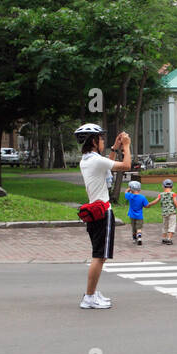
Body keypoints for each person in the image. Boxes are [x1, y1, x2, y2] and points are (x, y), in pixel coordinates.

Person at [76, 123, 130, 309]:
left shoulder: (88, 160)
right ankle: (89, 296)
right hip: (103, 214)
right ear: (93, 141)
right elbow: (126, 165)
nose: (102, 141)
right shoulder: (96, 161)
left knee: (99, 255)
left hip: (95, 212)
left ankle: (91, 293)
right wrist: (127, 146)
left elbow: (106, 166)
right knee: (99, 256)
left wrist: (115, 148)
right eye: (100, 138)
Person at [124, 180, 150, 245]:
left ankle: (134, 239)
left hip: (132, 215)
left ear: (131, 189)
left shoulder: (130, 196)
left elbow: (125, 193)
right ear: (139, 189)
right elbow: (146, 205)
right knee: (139, 228)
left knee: (133, 228)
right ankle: (139, 238)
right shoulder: (142, 197)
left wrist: (128, 189)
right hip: (139, 216)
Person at [158, 179, 177, 244]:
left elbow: (156, 201)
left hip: (164, 213)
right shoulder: (173, 194)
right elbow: (176, 203)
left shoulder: (161, 194)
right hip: (172, 213)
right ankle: (169, 239)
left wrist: (149, 204)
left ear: (163, 186)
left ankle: (164, 238)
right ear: (172, 186)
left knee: (165, 225)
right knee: (172, 225)